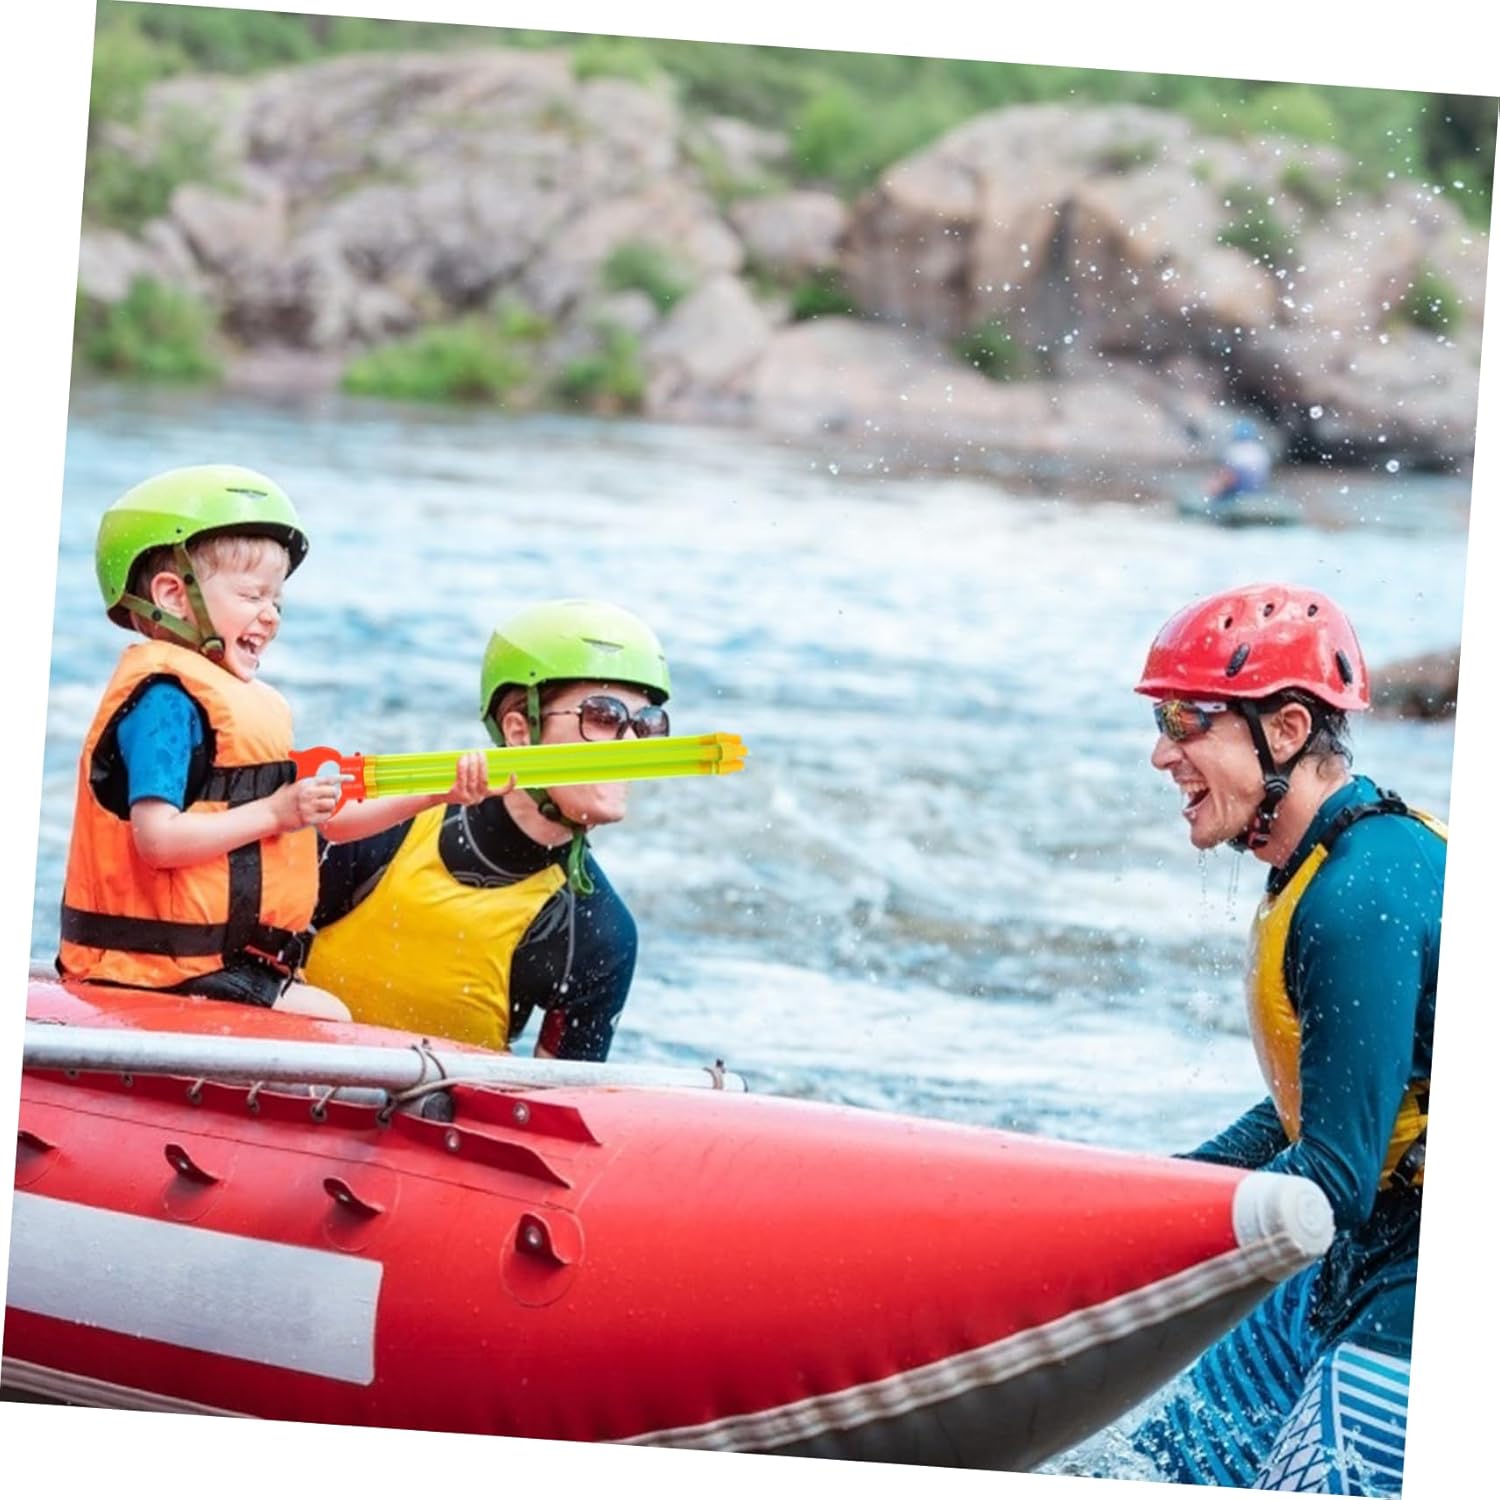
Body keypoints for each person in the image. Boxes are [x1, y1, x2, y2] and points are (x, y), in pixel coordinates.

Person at [1127, 582, 1441, 1495]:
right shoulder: (1325, 862)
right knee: (1163, 1467)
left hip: (1425, 1286)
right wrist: (1158, 1190)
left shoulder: (1358, 896)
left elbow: (1335, 1176)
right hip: (1366, 1250)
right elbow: (1317, 1104)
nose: (1161, 753)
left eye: (1188, 720)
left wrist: (1163, 1237)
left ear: (1290, 728)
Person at [58, 464, 486, 1019]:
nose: (271, 616)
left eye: (277, 601)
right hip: (154, 968)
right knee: (330, 1016)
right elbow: (158, 841)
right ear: (173, 595)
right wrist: (276, 812)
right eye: (252, 595)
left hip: (213, 963)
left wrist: (438, 794)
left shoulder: (236, 706)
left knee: (328, 1008)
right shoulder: (166, 703)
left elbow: (331, 824)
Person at [306, 598, 671, 1060]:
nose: (633, 745)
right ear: (519, 732)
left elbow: (557, 1099)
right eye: (603, 717)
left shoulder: (599, 933)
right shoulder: (376, 829)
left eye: (647, 725)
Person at [1208, 417, 1273, 505]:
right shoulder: (1262, 450)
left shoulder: (1233, 450)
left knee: (1219, 479)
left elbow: (1229, 475)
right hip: (1259, 490)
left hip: (1239, 489)